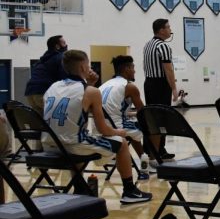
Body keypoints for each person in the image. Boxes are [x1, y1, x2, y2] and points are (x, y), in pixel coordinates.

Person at [44, 50, 151, 203]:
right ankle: (129, 191)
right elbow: (104, 130)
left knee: (76, 138)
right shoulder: (91, 92)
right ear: (82, 68)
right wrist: (118, 132)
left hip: (50, 144)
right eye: (88, 66)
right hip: (72, 145)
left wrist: (89, 84)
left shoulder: (52, 87)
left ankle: (80, 187)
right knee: (121, 143)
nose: (90, 69)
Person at [99, 55, 148, 177]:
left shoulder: (104, 85)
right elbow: (142, 112)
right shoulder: (129, 86)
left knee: (133, 126)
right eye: (133, 67)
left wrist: (131, 114)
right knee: (146, 127)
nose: (134, 70)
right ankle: (145, 164)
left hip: (99, 126)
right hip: (116, 126)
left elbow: (112, 109)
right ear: (126, 69)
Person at [143, 19, 178, 162]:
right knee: (160, 119)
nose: (170, 30)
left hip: (149, 83)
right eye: (168, 27)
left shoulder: (148, 45)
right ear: (161, 30)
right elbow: (168, 69)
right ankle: (156, 152)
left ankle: (158, 149)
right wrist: (174, 88)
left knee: (151, 117)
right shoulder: (163, 46)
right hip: (160, 85)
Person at [24, 35, 70, 113]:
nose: (66, 45)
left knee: (40, 123)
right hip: (44, 93)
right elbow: (64, 78)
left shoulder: (43, 59)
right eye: (64, 43)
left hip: (30, 93)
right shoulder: (61, 57)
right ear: (57, 46)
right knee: (54, 121)